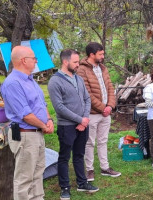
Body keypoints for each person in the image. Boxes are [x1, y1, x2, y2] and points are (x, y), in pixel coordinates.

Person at [1, 46, 54, 199]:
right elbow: (26, 115)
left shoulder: (30, 80)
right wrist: (44, 125)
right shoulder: (13, 83)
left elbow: (41, 104)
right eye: (33, 58)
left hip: (37, 133)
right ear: (24, 61)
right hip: (25, 135)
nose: (36, 61)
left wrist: (49, 119)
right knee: (24, 178)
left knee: (38, 173)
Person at [48, 49, 98, 199]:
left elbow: (87, 99)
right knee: (64, 157)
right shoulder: (54, 81)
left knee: (79, 154)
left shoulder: (78, 79)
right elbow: (59, 107)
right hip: (67, 126)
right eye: (75, 62)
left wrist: (85, 119)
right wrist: (80, 120)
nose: (78, 65)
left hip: (83, 124)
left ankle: (82, 183)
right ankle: (64, 187)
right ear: (65, 62)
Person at [76, 42, 121, 181]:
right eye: (100, 54)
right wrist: (103, 108)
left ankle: (105, 167)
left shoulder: (103, 68)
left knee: (103, 141)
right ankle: (89, 169)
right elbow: (87, 94)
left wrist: (110, 105)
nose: (103, 56)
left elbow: (110, 87)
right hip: (91, 113)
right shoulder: (82, 70)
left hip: (105, 113)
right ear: (91, 54)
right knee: (89, 142)